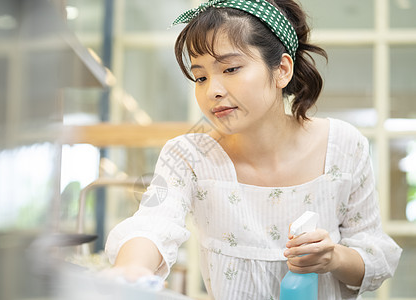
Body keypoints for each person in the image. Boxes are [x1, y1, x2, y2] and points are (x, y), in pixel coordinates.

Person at [105, 0, 402, 299]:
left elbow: (375, 257)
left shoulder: (344, 146)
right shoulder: (188, 155)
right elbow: (153, 224)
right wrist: (131, 273)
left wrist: (333, 258)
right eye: (201, 77)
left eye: (231, 68)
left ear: (282, 70)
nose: (213, 91)